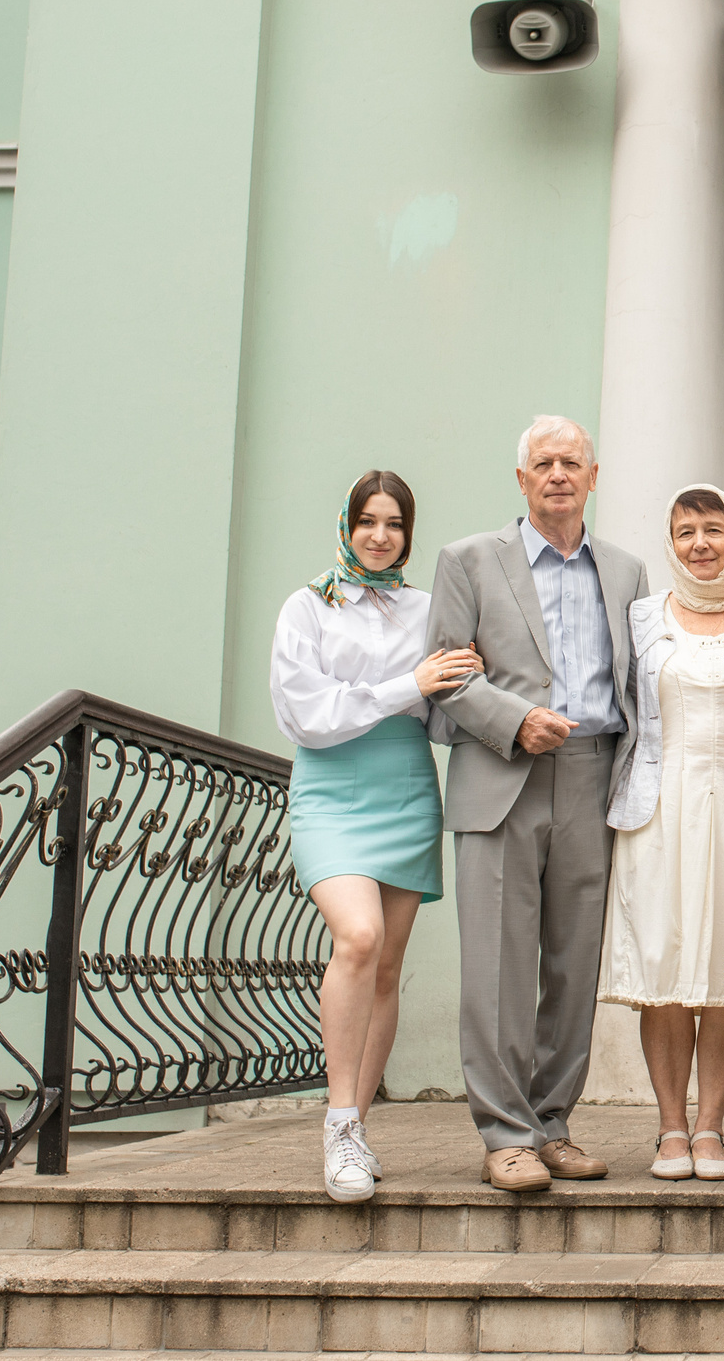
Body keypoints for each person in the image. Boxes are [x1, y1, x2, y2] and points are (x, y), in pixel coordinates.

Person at [428, 415, 647, 1192]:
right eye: (544, 463)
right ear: (522, 479)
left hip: (592, 774)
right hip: (502, 774)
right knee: (497, 965)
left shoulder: (625, 570)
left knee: (572, 964)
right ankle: (505, 1134)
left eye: (571, 462)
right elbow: (445, 671)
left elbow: (637, 682)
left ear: (593, 477)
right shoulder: (467, 560)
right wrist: (514, 718)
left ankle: (552, 1125)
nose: (558, 474)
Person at [270, 471, 480, 1204]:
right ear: (347, 525)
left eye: (394, 524)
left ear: (408, 534)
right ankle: (335, 1122)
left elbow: (441, 716)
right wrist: (409, 685)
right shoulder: (308, 605)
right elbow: (308, 714)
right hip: (331, 789)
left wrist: (464, 680)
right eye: (368, 521)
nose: (380, 535)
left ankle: (356, 1126)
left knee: (386, 966)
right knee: (357, 937)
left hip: (407, 786)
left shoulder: (425, 609)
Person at [599, 485, 724, 1183]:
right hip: (657, 807)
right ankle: (670, 1126)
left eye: (713, 529)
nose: (700, 543)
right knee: (662, 968)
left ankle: (711, 1127)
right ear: (670, 542)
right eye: (686, 531)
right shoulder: (642, 616)